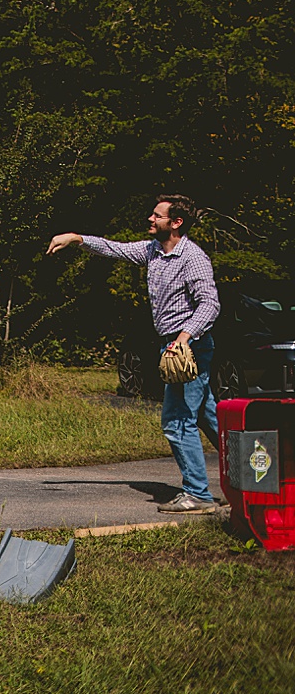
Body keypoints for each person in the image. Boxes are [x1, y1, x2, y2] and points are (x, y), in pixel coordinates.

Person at [46, 194, 221, 514]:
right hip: (171, 343)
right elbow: (115, 248)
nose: (150, 220)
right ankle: (250, 478)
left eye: (158, 216)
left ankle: (198, 494)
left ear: (176, 223)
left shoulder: (192, 258)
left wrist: (183, 339)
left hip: (189, 346)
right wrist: (76, 238)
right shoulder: (153, 251)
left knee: (176, 420)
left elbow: (209, 305)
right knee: (210, 418)